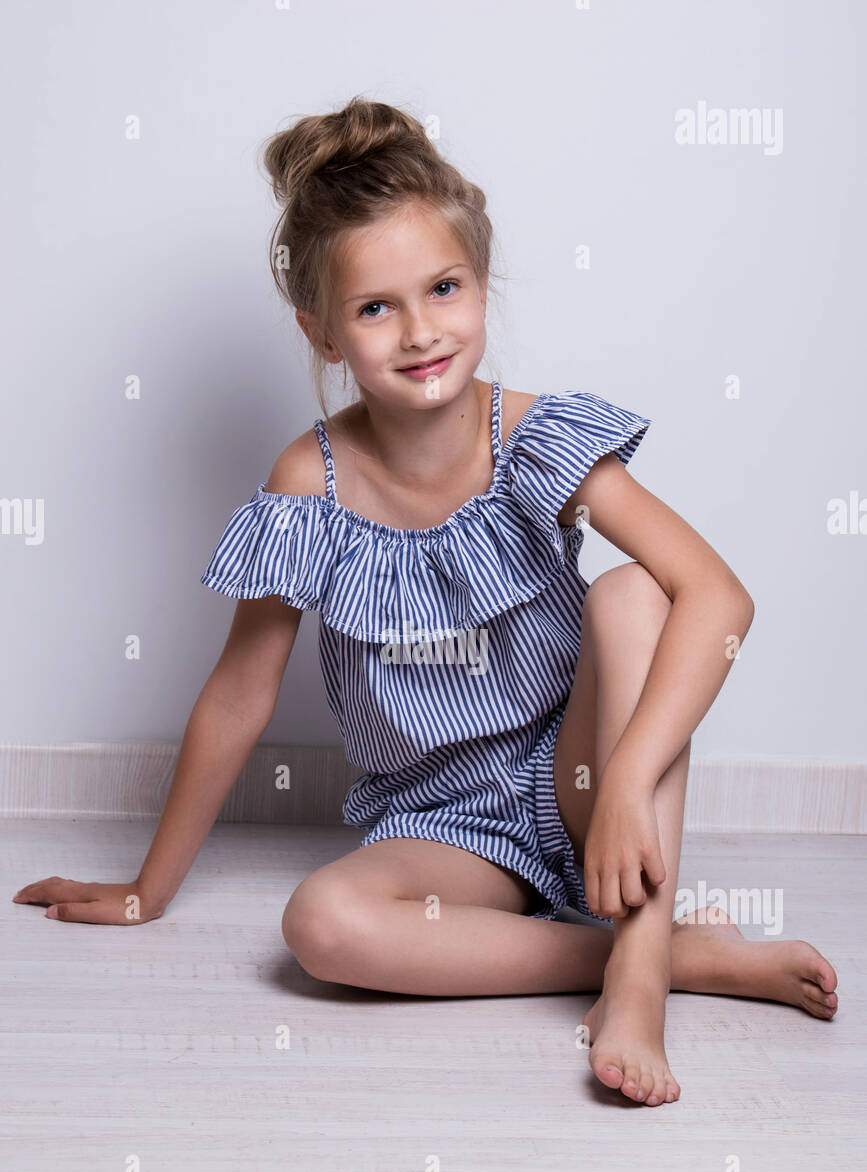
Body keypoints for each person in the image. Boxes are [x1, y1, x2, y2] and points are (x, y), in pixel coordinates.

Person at [14, 97, 837, 1107]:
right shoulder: (307, 485)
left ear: (482, 285)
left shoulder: (533, 437)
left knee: (636, 595)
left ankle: (641, 980)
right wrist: (149, 886)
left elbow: (720, 595)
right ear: (319, 330)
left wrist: (622, 781)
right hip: (444, 829)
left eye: (443, 289)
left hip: (587, 777)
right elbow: (239, 693)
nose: (419, 332)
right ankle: (657, 953)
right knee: (320, 925)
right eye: (375, 308)